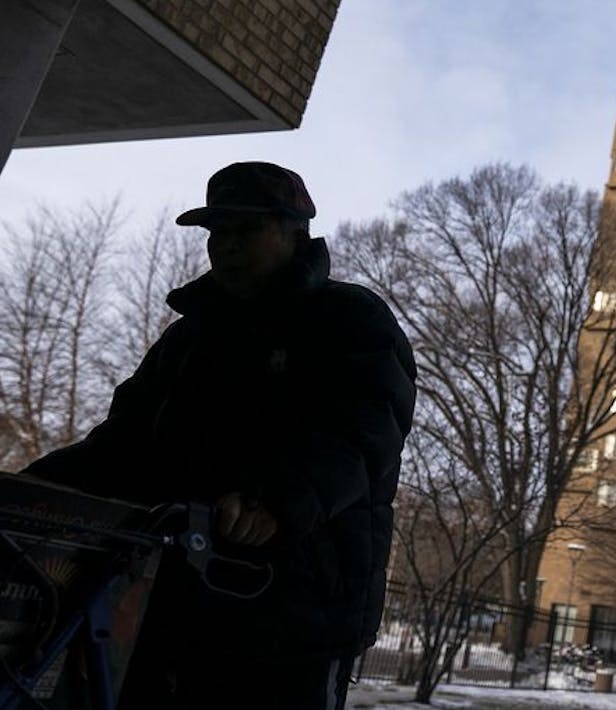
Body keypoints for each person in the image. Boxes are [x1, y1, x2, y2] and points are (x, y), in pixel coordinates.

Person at [23, 162, 416, 710]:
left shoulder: (349, 319)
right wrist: (24, 493)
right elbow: (120, 444)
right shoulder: (188, 339)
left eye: (246, 230)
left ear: (295, 231)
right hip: (169, 601)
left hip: (293, 617)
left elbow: (361, 432)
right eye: (217, 234)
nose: (226, 247)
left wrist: (276, 501)